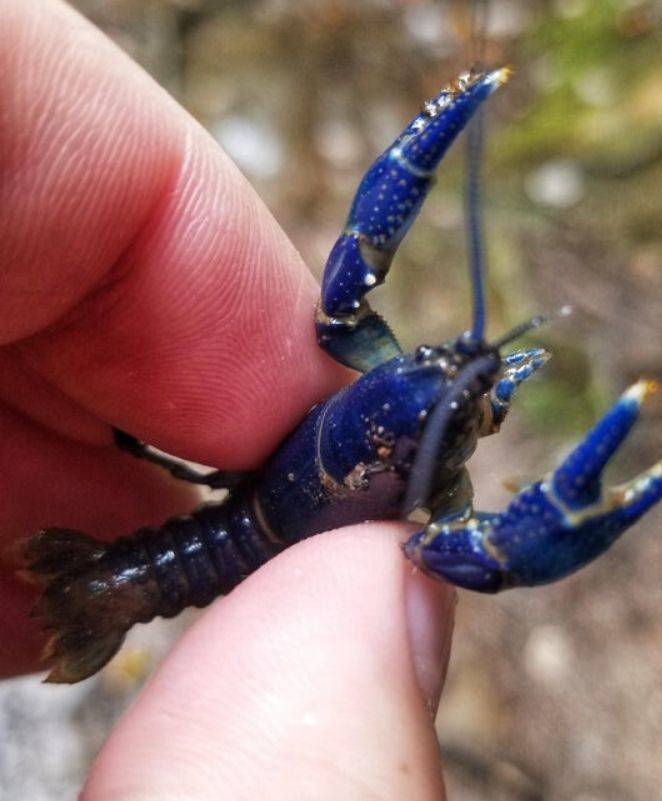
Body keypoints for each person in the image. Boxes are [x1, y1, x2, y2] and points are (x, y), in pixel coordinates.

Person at [0, 1, 455, 797]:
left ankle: (107, 586)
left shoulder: (377, 379)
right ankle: (105, 588)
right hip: (227, 539)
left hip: (221, 531)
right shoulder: (428, 474)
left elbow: (344, 304)